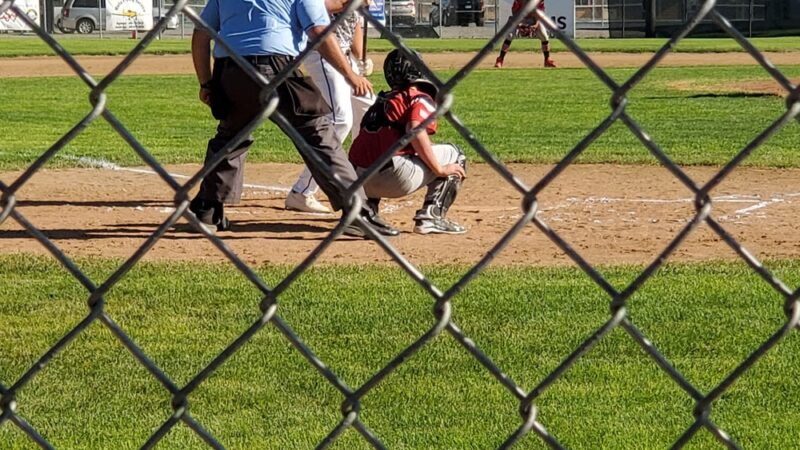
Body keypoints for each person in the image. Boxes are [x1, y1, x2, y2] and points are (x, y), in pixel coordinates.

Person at [189, 0, 398, 238]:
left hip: (231, 70)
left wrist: (206, 82)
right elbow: (319, 32)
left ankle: (207, 209)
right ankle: (357, 211)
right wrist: (351, 74)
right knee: (317, 134)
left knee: (230, 136)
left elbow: (201, 34)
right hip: (276, 67)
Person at [349, 49, 467, 235]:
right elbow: (415, 130)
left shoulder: (380, 101)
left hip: (357, 181)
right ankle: (431, 216)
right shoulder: (417, 96)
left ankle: (365, 214)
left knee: (382, 151)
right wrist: (439, 169)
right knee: (455, 153)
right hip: (394, 176)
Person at [284, 5, 376, 214]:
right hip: (322, 52)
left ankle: (357, 179)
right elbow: (318, 5)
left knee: (368, 110)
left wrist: (360, 59)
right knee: (340, 118)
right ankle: (302, 191)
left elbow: (355, 24)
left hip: (344, 56)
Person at [494, 0, 556, 68]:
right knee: (510, 35)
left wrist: (535, 25)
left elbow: (540, 14)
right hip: (520, 18)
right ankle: (500, 59)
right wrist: (519, 24)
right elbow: (514, 12)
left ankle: (547, 59)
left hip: (533, 19)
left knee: (544, 35)